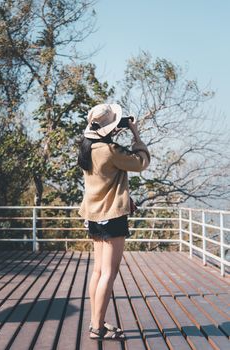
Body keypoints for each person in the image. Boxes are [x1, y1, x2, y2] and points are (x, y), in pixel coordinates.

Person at [77, 103, 150, 341]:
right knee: (109, 272)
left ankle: (95, 322)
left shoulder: (88, 147)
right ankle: (97, 329)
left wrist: (125, 197)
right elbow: (141, 162)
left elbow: (106, 180)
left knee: (98, 271)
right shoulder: (110, 150)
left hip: (94, 215)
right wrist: (135, 133)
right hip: (111, 217)